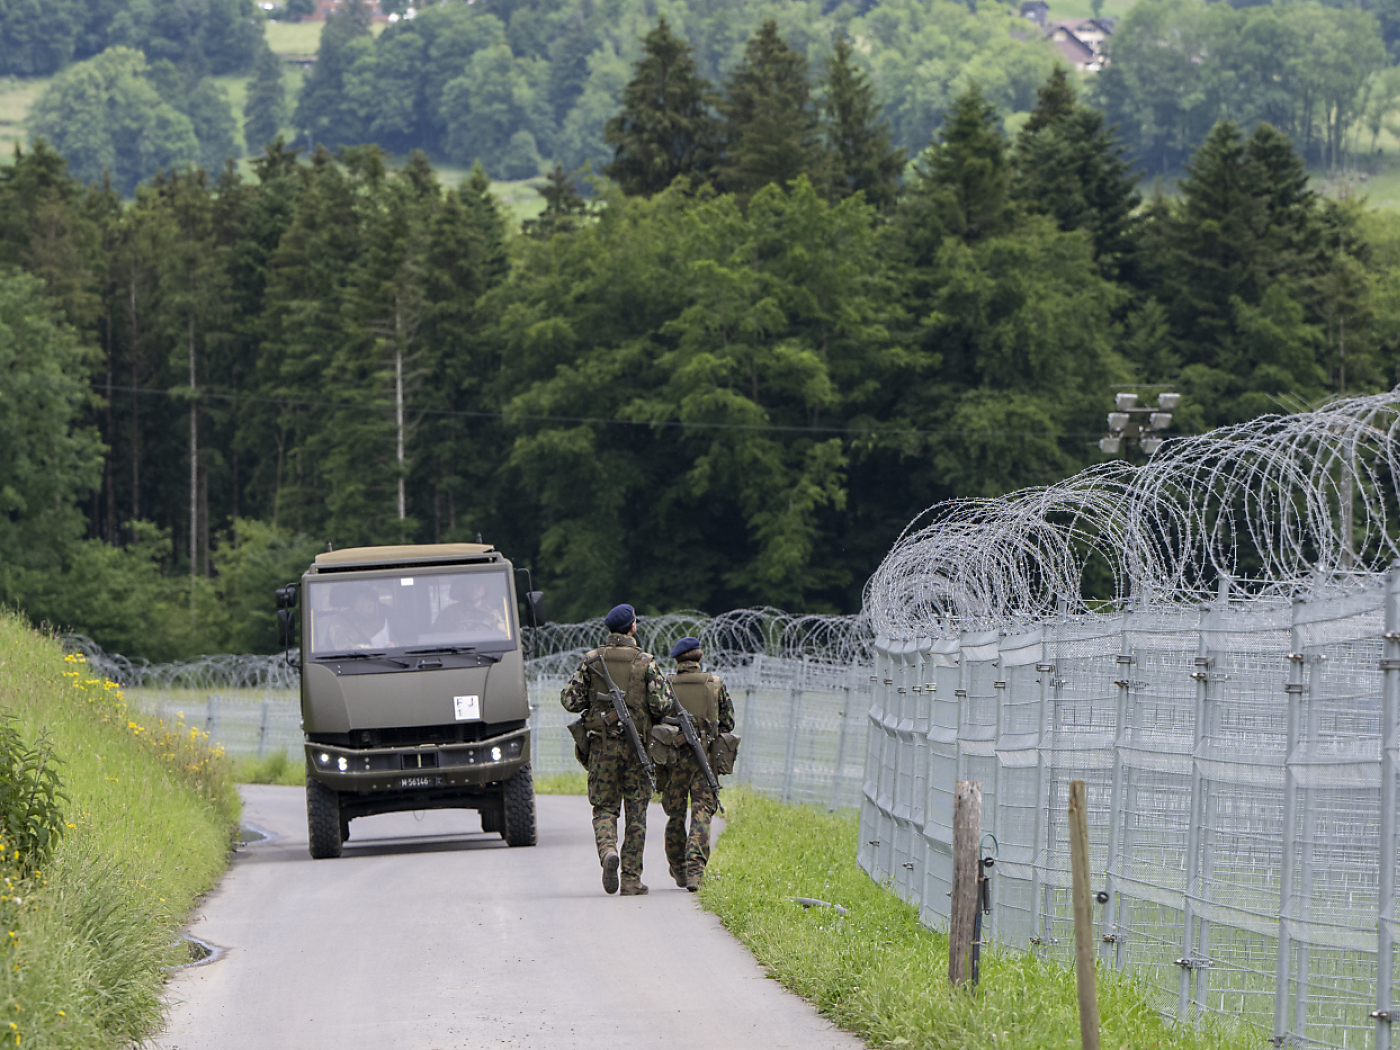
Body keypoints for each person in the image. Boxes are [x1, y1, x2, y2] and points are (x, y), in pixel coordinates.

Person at [560, 604, 669, 896]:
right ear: (632, 627)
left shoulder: (593, 660)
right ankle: (631, 878)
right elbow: (663, 705)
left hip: (601, 748)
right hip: (638, 749)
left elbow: (570, 700)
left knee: (605, 808)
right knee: (637, 812)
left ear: (610, 630)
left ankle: (608, 850)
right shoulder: (646, 662)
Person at [659, 637, 734, 891]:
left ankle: (678, 867)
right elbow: (728, 722)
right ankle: (695, 870)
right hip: (706, 759)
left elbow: (655, 718)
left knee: (675, 815)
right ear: (699, 659)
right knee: (702, 813)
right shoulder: (714, 684)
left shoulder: (666, 684)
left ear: (678, 659)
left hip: (673, 760)